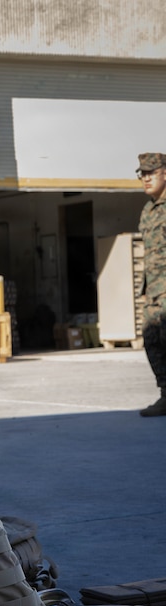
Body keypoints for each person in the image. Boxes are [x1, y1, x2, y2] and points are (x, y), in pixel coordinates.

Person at [136, 152, 166, 416]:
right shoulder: (148, 211)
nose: (146, 178)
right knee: (152, 339)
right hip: (155, 290)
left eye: (151, 173)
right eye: (142, 174)